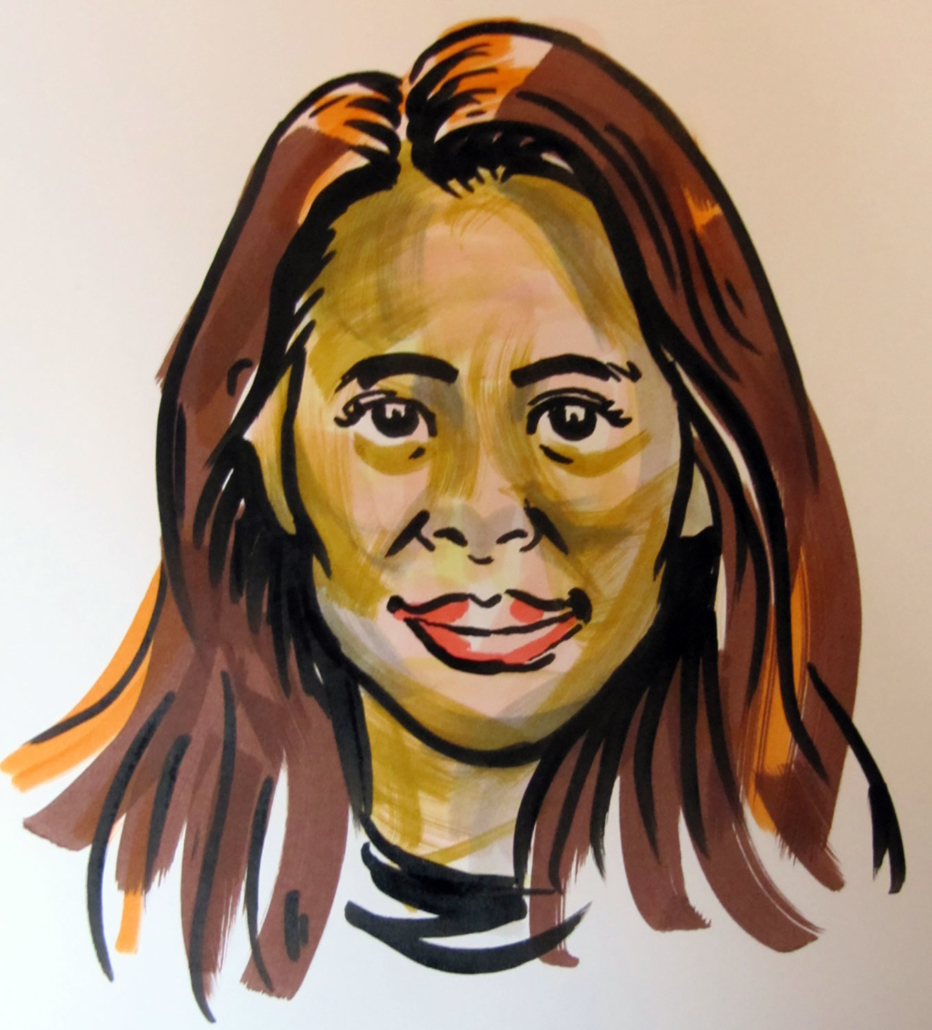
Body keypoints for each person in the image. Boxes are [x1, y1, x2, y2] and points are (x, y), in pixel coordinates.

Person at [2, 18, 903, 1020]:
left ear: (704, 468)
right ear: (266, 452)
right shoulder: (93, 923)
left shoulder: (846, 910)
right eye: (394, 419)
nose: (485, 514)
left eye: (572, 418)